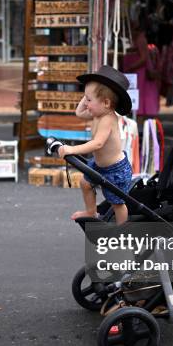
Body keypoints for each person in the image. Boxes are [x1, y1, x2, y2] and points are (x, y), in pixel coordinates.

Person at [58, 65, 133, 226]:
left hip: (115, 170)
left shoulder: (108, 119)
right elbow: (78, 113)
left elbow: (97, 143)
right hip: (100, 165)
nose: (86, 104)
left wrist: (71, 149)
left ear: (106, 103)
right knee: (85, 183)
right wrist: (87, 96)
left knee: (117, 203)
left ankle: (123, 231)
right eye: (86, 99)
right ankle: (91, 212)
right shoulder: (97, 113)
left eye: (89, 100)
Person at [123, 21, 160, 118]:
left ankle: (140, 118)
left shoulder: (140, 39)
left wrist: (131, 67)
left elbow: (144, 58)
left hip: (139, 73)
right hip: (137, 72)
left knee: (140, 95)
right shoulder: (136, 39)